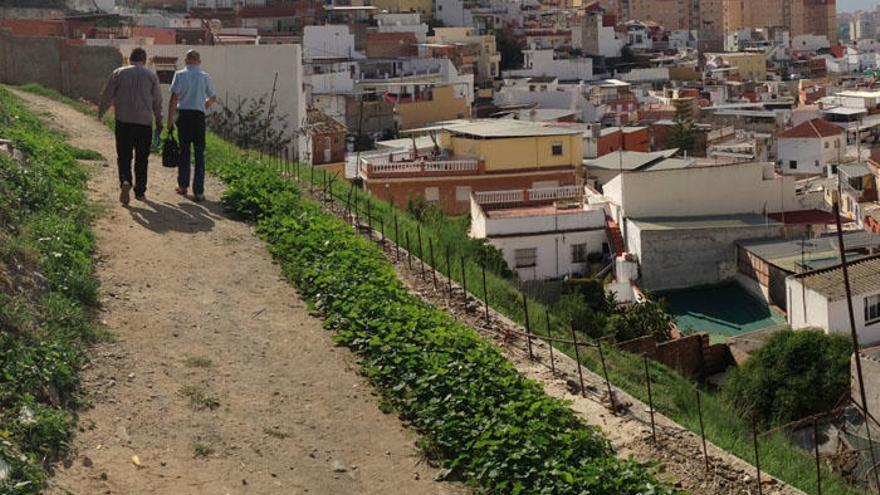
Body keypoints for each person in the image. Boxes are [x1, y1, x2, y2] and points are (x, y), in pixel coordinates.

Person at [98, 47, 163, 205]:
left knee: (124, 155)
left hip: (123, 122)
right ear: (144, 59)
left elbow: (108, 94)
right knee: (142, 158)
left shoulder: (119, 73)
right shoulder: (151, 76)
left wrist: (101, 112)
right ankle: (140, 191)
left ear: (130, 59)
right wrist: (159, 120)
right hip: (144, 124)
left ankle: (125, 180)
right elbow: (157, 101)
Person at [167, 50, 216, 202]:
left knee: (185, 152)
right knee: (199, 153)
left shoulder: (180, 75)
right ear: (199, 61)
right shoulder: (205, 77)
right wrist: (204, 105)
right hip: (198, 116)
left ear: (186, 60)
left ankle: (183, 185)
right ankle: (199, 191)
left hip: (184, 116)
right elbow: (213, 96)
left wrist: (170, 120)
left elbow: (174, 98)